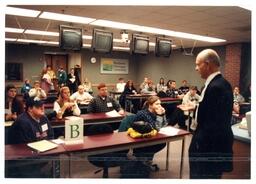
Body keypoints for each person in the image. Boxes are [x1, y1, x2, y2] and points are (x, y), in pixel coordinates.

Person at [189, 49, 233, 179]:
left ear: (207, 64)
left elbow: (214, 124)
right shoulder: (218, 84)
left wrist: (199, 145)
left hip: (207, 147)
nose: (196, 68)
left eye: (198, 64)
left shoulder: (216, 87)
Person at [6, 97, 55, 177]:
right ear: (30, 109)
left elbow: (50, 135)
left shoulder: (43, 118)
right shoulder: (22, 122)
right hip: (24, 160)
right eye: (39, 107)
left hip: (42, 153)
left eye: (42, 105)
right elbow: (25, 146)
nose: (43, 108)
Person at [132, 96, 167, 163]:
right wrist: (159, 116)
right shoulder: (143, 114)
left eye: (160, 104)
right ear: (150, 105)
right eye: (157, 104)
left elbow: (164, 125)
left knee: (162, 142)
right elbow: (156, 129)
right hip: (141, 140)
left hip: (150, 137)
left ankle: (146, 159)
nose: (160, 106)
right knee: (160, 143)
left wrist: (163, 115)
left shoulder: (156, 112)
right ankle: (143, 158)